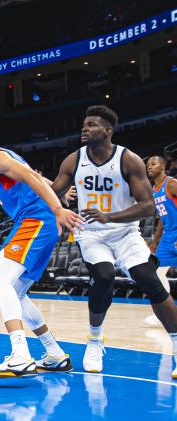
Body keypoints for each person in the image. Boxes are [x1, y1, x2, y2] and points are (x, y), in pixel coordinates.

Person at [49, 105, 177, 376]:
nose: (85, 128)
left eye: (92, 125)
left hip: (125, 232)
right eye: (84, 124)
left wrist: (110, 216)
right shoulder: (73, 160)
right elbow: (52, 192)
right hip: (91, 234)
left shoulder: (128, 159)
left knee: (150, 280)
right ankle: (95, 340)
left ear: (108, 131)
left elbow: (148, 206)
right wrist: (56, 197)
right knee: (104, 276)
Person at [0, 112, 83, 378]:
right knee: (16, 291)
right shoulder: (0, 157)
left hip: (35, 220)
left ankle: (20, 356)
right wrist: (58, 191)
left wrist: (58, 207)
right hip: (40, 222)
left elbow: (32, 178)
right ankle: (55, 353)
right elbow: (33, 175)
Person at [146, 156, 176, 326]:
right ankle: (164, 314)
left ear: (163, 166)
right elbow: (161, 219)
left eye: (153, 164)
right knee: (157, 274)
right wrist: (155, 242)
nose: (149, 167)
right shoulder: (154, 189)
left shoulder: (171, 184)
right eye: (147, 165)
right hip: (167, 237)